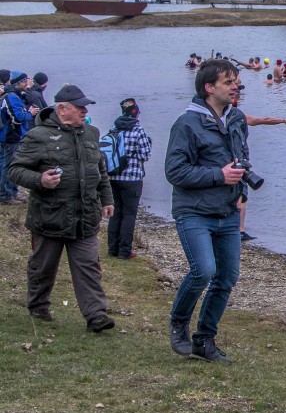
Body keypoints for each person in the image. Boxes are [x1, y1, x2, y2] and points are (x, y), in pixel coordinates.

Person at [8, 84, 116, 332]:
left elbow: (100, 171)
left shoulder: (91, 133)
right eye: (80, 107)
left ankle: (96, 316)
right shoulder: (38, 136)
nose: (84, 111)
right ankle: (38, 305)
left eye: (85, 107)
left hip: (85, 216)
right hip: (49, 217)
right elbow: (15, 169)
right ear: (62, 109)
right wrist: (40, 180)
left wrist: (107, 200)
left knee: (89, 267)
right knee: (43, 267)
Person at [164, 59, 251, 364]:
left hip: (226, 211)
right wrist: (219, 175)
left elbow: (241, 155)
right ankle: (178, 323)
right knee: (204, 270)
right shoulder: (187, 124)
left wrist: (240, 186)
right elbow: (174, 172)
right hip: (194, 211)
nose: (235, 86)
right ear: (209, 88)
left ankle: (205, 340)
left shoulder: (236, 118)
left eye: (236, 81)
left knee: (227, 277)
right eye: (229, 82)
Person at [106, 98, 153, 260]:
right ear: (136, 113)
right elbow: (145, 155)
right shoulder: (138, 130)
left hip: (113, 176)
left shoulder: (114, 128)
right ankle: (124, 251)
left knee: (116, 212)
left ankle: (112, 248)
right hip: (132, 178)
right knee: (129, 214)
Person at [1, 71, 40, 204]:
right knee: (9, 166)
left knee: (8, 165)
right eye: (24, 81)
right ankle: (6, 195)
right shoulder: (11, 97)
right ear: (17, 83)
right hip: (10, 136)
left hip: (11, 135)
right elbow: (17, 118)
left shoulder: (15, 95)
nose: (27, 83)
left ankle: (11, 192)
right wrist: (30, 113)